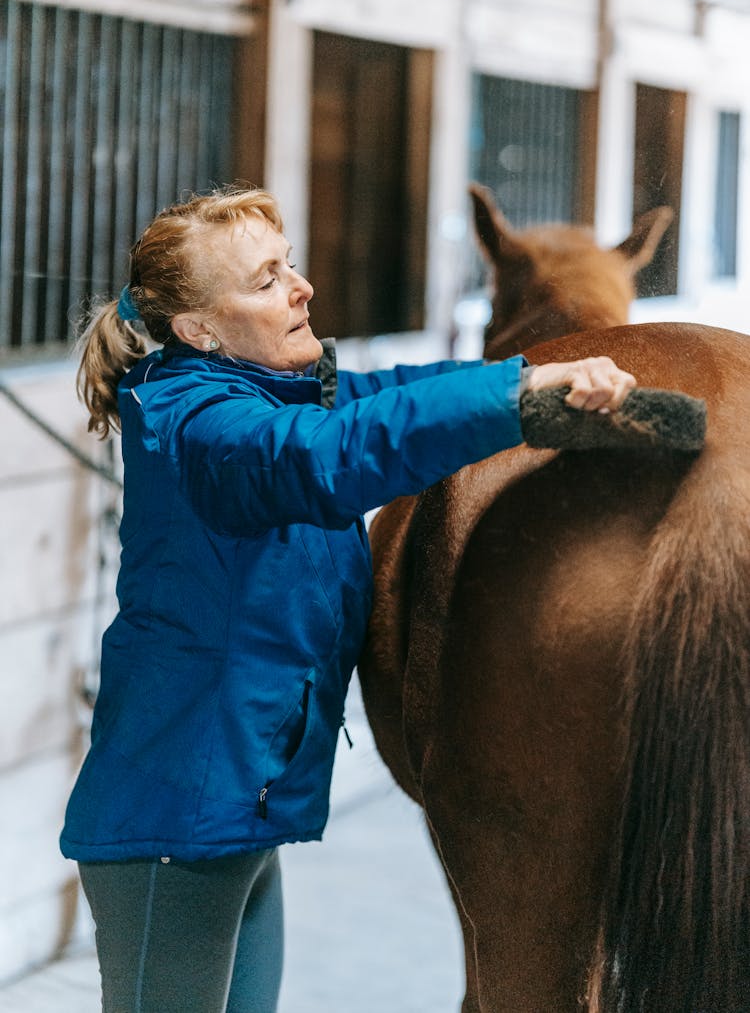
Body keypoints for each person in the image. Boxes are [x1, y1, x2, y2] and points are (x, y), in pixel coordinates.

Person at [60, 185, 635, 1012]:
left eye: (288, 264)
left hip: (234, 820)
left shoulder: (272, 393)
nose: (302, 288)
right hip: (172, 828)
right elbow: (329, 456)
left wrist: (522, 377)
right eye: (266, 280)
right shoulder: (200, 429)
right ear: (200, 331)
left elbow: (396, 394)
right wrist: (517, 399)